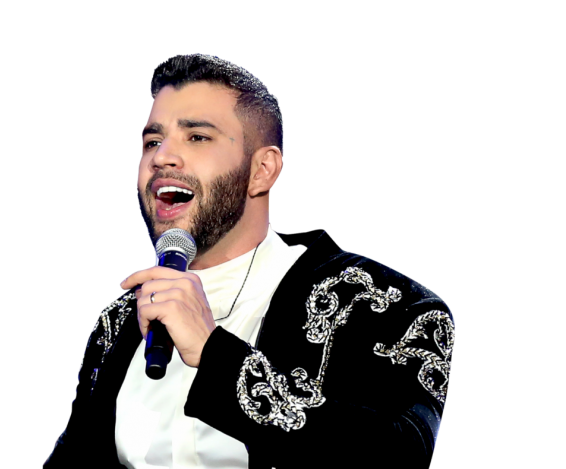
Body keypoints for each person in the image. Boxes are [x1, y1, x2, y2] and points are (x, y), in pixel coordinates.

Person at [42, 53, 455, 468]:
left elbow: (403, 456)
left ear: (263, 170)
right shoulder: (119, 322)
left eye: (197, 137)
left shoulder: (387, 304)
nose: (162, 157)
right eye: (152, 142)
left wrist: (214, 354)